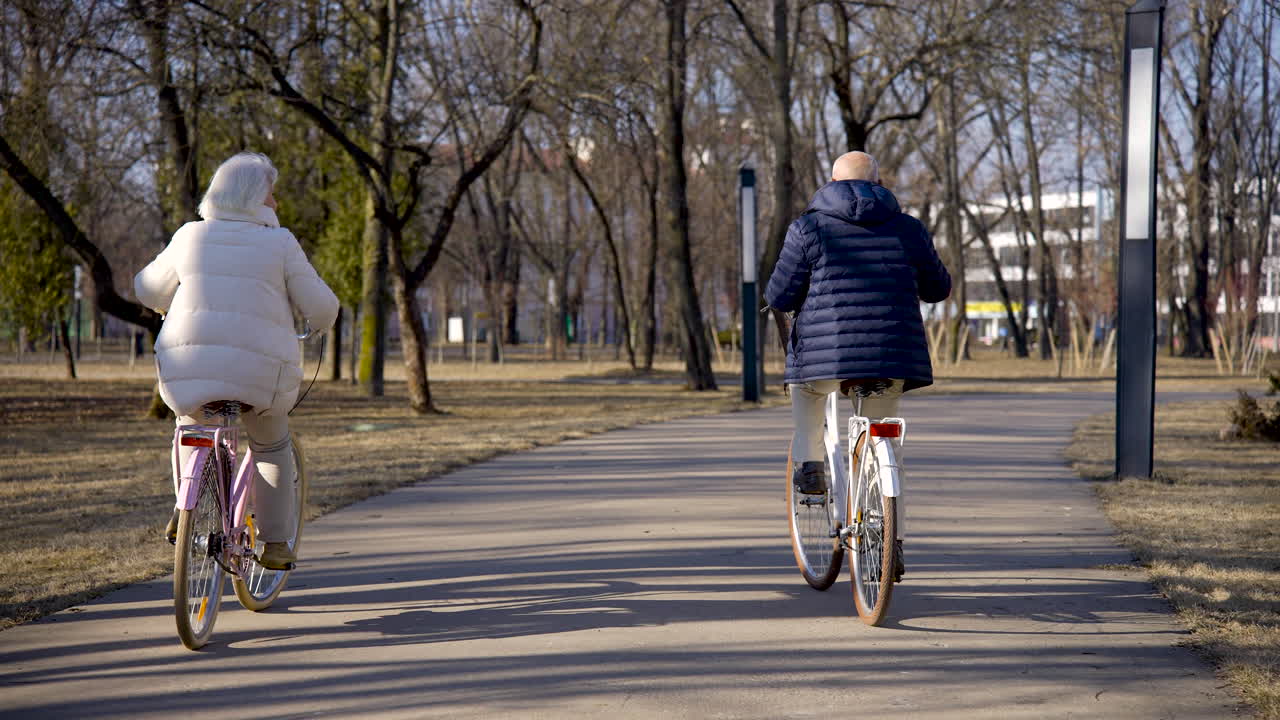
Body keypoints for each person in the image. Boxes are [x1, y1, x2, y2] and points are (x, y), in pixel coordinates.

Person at [135, 152, 339, 570]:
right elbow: (320, 305)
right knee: (270, 443)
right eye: (272, 194)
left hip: (186, 367)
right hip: (259, 375)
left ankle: (184, 509)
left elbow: (148, 287)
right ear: (253, 198)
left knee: (190, 425)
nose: (276, 204)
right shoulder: (280, 243)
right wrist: (318, 324)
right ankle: (277, 543)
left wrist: (164, 304)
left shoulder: (190, 236)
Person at [765, 151, 950, 574]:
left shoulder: (808, 227)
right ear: (879, 183)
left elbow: (779, 295)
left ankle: (810, 466)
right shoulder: (909, 228)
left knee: (806, 390)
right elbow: (938, 288)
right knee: (888, 443)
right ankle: (891, 542)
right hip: (891, 356)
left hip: (824, 358)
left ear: (830, 183)